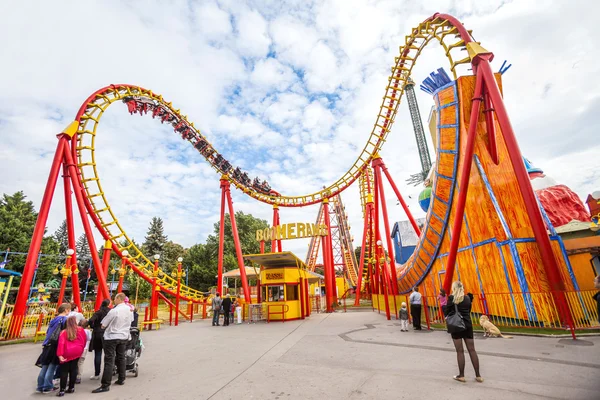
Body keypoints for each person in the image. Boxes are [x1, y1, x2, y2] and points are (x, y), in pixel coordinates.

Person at [92, 293, 133, 393]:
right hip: (123, 335)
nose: (114, 301)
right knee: (121, 357)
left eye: (115, 299)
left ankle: (105, 384)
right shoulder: (129, 310)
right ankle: (121, 378)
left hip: (112, 336)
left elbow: (103, 324)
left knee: (109, 360)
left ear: (119, 299)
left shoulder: (114, 311)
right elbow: (131, 321)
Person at [444, 281, 483, 383]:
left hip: (456, 325)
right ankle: (478, 375)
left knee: (460, 351)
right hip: (468, 325)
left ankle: (461, 375)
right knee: (472, 350)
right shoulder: (467, 298)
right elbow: (468, 311)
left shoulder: (452, 299)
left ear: (454, 288)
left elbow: (447, 312)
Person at [36, 303, 70, 394]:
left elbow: (48, 332)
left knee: (45, 366)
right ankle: (47, 386)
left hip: (47, 344)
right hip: (56, 344)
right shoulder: (65, 320)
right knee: (52, 366)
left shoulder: (54, 319)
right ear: (66, 310)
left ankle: (40, 386)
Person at [56, 316, 87, 396]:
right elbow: (84, 340)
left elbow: (61, 344)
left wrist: (60, 355)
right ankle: (71, 387)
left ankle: (62, 390)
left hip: (67, 352)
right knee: (74, 368)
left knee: (64, 371)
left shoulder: (64, 332)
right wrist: (81, 348)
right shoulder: (80, 329)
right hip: (77, 351)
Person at [88, 298, 110, 380]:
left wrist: (93, 326)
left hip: (97, 332)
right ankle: (109, 371)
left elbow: (90, 320)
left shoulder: (99, 312)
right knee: (109, 354)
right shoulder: (110, 312)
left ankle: (97, 373)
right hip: (107, 332)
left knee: (98, 353)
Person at [76, 320, 92, 384]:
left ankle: (73, 375)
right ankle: (78, 377)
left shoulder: (77, 330)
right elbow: (89, 338)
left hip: (77, 347)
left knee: (75, 362)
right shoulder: (88, 331)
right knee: (80, 363)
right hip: (84, 348)